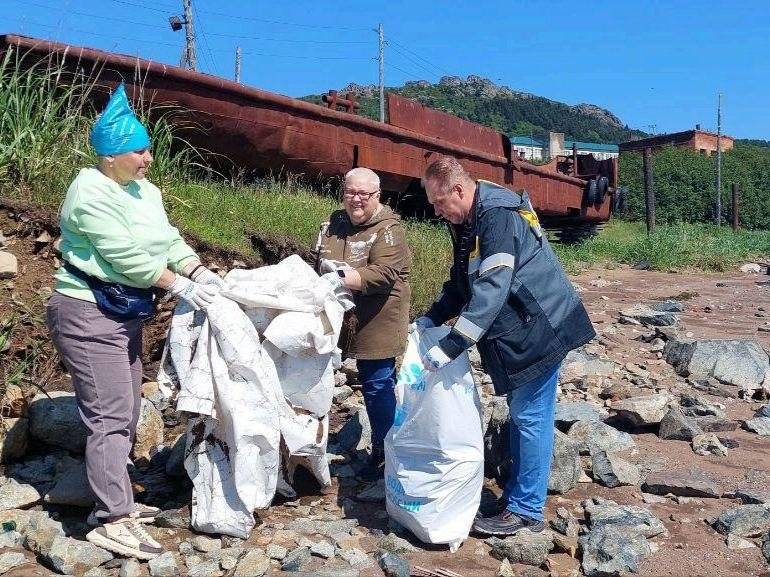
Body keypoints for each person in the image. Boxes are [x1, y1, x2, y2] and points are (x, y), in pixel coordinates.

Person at [46, 84, 223, 559]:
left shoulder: (145, 192)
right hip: (87, 311)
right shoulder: (89, 190)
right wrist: (180, 287)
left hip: (124, 314)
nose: (148, 159)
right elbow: (122, 256)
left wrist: (198, 269)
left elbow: (166, 239)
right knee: (107, 415)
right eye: (139, 151)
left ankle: (116, 495)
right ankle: (109, 519)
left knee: (125, 410)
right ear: (110, 155)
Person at [413, 156, 595, 536]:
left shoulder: (495, 217)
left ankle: (526, 509)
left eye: (439, 201)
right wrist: (431, 317)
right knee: (523, 412)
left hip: (541, 325)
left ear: (459, 190)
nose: (436, 210)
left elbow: (492, 286)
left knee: (531, 415)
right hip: (522, 326)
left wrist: (454, 343)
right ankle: (518, 495)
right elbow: (463, 281)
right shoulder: (470, 218)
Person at [314, 167, 411, 480]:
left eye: (363, 195)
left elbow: (383, 273)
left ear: (377, 196)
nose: (356, 200)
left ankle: (387, 453)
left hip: (379, 314)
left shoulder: (389, 228)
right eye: (350, 192)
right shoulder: (334, 221)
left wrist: (339, 277)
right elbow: (318, 257)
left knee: (377, 382)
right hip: (338, 311)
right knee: (314, 376)